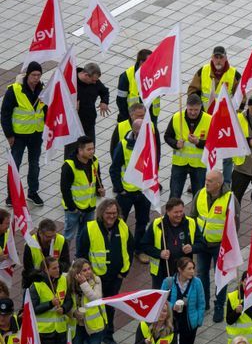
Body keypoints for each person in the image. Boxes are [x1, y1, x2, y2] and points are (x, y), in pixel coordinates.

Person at [78, 198, 129, 344]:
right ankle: (90, 336)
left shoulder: (123, 226)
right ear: (101, 213)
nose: (112, 216)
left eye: (114, 213)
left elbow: (129, 248)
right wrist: (86, 276)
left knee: (109, 307)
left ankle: (108, 334)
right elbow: (81, 254)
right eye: (108, 213)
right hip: (94, 279)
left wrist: (124, 272)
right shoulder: (89, 228)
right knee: (91, 307)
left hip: (115, 278)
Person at [110, 104, 155, 260]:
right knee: (119, 221)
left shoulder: (150, 141)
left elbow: (155, 161)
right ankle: (120, 247)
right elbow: (114, 168)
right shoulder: (123, 145)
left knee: (142, 221)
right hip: (127, 192)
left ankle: (139, 250)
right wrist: (119, 188)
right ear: (135, 131)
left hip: (143, 191)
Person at [191, 170, 236, 323]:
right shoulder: (200, 194)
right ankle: (204, 303)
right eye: (206, 180)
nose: (206, 183)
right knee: (202, 273)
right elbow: (193, 217)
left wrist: (227, 244)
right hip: (202, 243)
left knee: (220, 277)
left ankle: (219, 305)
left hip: (220, 246)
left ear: (219, 184)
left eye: (210, 181)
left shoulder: (230, 198)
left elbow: (234, 224)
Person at [2, 62, 46, 205]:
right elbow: (5, 114)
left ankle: (33, 193)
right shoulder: (14, 90)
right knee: (15, 165)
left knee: (34, 164)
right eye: (33, 75)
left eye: (39, 75)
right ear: (27, 75)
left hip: (36, 134)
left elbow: (46, 110)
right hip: (19, 135)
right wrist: (9, 135)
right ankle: (11, 196)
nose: (36, 78)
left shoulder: (43, 90)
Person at [163, 256, 205, 344]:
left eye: (193, 268)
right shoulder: (169, 282)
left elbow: (201, 303)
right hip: (171, 321)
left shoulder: (197, 283)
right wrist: (172, 306)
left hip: (188, 323)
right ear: (180, 270)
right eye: (189, 269)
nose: (192, 271)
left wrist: (198, 321)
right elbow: (161, 301)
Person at [29, 260, 70, 344]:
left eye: (58, 267)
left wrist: (64, 308)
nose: (58, 270)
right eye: (54, 268)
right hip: (42, 332)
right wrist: (50, 304)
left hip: (58, 330)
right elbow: (33, 309)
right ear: (46, 270)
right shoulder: (36, 285)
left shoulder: (63, 280)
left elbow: (69, 300)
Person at [165, 94, 211, 199]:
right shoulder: (177, 117)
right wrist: (175, 143)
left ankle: (196, 215)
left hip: (199, 165)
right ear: (186, 106)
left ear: (200, 107)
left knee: (198, 196)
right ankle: (172, 214)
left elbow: (214, 142)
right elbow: (167, 136)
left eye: (196, 110)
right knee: (175, 194)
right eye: (190, 109)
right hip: (179, 163)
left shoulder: (209, 120)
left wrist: (198, 142)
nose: (193, 112)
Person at [61, 135, 103, 243]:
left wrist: (100, 189)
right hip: (74, 208)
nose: (92, 152)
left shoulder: (95, 161)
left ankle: (80, 258)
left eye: (93, 148)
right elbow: (65, 189)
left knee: (85, 235)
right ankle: (63, 258)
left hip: (89, 206)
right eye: (89, 149)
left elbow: (97, 180)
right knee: (68, 236)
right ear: (80, 150)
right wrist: (72, 208)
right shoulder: (69, 166)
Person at [67, 259, 107, 344]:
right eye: (84, 270)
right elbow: (68, 303)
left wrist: (84, 284)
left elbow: (95, 298)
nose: (88, 272)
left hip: (94, 326)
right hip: (78, 326)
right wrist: (74, 313)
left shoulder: (96, 280)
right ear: (77, 273)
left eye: (89, 269)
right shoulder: (70, 283)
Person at [150, 198, 197, 281]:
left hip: (184, 273)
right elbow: (144, 245)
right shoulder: (157, 224)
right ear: (168, 212)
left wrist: (192, 248)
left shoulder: (191, 223)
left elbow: (201, 244)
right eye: (176, 212)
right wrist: (159, 253)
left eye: (181, 211)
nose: (179, 215)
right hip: (162, 273)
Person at [187, 46, 242, 112]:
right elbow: (192, 90)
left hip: (224, 115)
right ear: (212, 58)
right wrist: (198, 108)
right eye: (216, 57)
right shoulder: (203, 71)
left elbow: (241, 96)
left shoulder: (235, 75)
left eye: (221, 57)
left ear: (226, 58)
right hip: (205, 113)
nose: (218, 60)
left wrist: (237, 114)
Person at [116, 49, 160, 125]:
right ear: (141, 62)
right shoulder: (126, 76)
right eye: (150, 62)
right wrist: (127, 119)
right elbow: (120, 100)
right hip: (134, 117)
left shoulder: (155, 72)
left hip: (151, 116)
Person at [22, 218, 69, 288]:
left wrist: (54, 269)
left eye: (54, 236)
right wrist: (45, 274)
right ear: (40, 233)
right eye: (48, 237)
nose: (52, 239)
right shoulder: (30, 245)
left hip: (56, 281)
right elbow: (28, 270)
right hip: (36, 282)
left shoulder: (61, 240)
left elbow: (66, 263)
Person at [74, 62, 110, 140]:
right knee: (73, 151)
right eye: (93, 80)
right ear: (86, 75)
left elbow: (105, 92)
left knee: (90, 150)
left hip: (89, 124)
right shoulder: (71, 82)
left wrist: (104, 102)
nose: (95, 82)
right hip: (73, 126)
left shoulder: (96, 82)